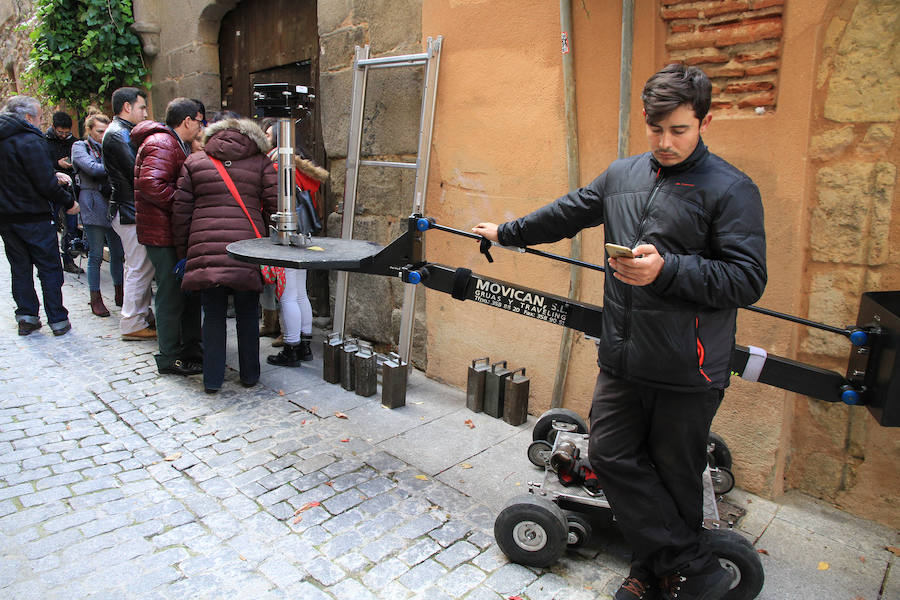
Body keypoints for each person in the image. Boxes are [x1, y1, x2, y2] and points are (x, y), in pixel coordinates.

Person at [473, 64, 767, 600]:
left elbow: (748, 279)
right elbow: (567, 213)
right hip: (624, 358)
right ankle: (693, 569)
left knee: (675, 478)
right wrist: (508, 232)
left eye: (679, 130)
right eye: (656, 129)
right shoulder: (622, 174)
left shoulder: (731, 188)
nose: (665, 142)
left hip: (690, 367)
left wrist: (668, 269)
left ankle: (651, 573)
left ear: (704, 121)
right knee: (609, 456)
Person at [172, 117, 277, 393]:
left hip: (206, 246)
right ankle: (250, 375)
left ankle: (212, 379)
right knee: (247, 312)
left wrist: (185, 252)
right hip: (247, 248)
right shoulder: (261, 163)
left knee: (214, 314)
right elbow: (276, 204)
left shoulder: (194, 162)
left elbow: (181, 212)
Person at [133, 98, 205, 376]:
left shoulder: (171, 143)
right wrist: (183, 203)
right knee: (169, 294)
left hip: (166, 230)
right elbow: (151, 183)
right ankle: (169, 356)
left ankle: (186, 347)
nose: (200, 127)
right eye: (199, 121)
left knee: (179, 293)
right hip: (161, 232)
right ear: (187, 120)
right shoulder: (164, 143)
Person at [0, 96, 79, 336]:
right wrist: (68, 202)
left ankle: (27, 316)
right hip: (34, 215)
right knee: (49, 268)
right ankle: (57, 318)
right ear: (26, 117)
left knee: (20, 267)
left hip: (7, 217)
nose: (40, 120)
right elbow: (43, 182)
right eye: (38, 116)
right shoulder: (29, 140)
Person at [263, 122, 327, 367]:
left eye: (268, 134)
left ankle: (291, 348)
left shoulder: (280, 166)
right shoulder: (302, 167)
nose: (265, 137)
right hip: (305, 234)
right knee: (299, 292)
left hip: (288, 233)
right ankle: (305, 346)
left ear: (278, 138)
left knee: (288, 295)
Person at [102, 87, 155, 341]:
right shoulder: (118, 134)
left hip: (127, 209)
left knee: (138, 266)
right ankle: (133, 322)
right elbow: (138, 170)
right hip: (128, 210)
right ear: (127, 107)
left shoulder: (121, 132)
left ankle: (138, 317)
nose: (145, 113)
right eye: (142, 107)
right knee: (138, 267)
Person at [71, 111, 125, 317]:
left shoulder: (109, 147)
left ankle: (120, 293)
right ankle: (96, 298)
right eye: (99, 131)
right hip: (93, 203)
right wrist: (116, 167)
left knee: (118, 253)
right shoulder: (80, 147)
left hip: (112, 202)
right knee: (95, 254)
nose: (103, 135)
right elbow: (92, 169)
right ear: (90, 130)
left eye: (106, 131)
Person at [46, 110, 83, 274]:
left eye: (66, 133)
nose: (63, 135)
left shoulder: (75, 142)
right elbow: (41, 166)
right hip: (52, 190)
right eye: (60, 132)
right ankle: (51, 262)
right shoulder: (43, 141)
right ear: (53, 127)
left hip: (70, 191)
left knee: (72, 226)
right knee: (51, 227)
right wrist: (57, 164)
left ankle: (68, 260)